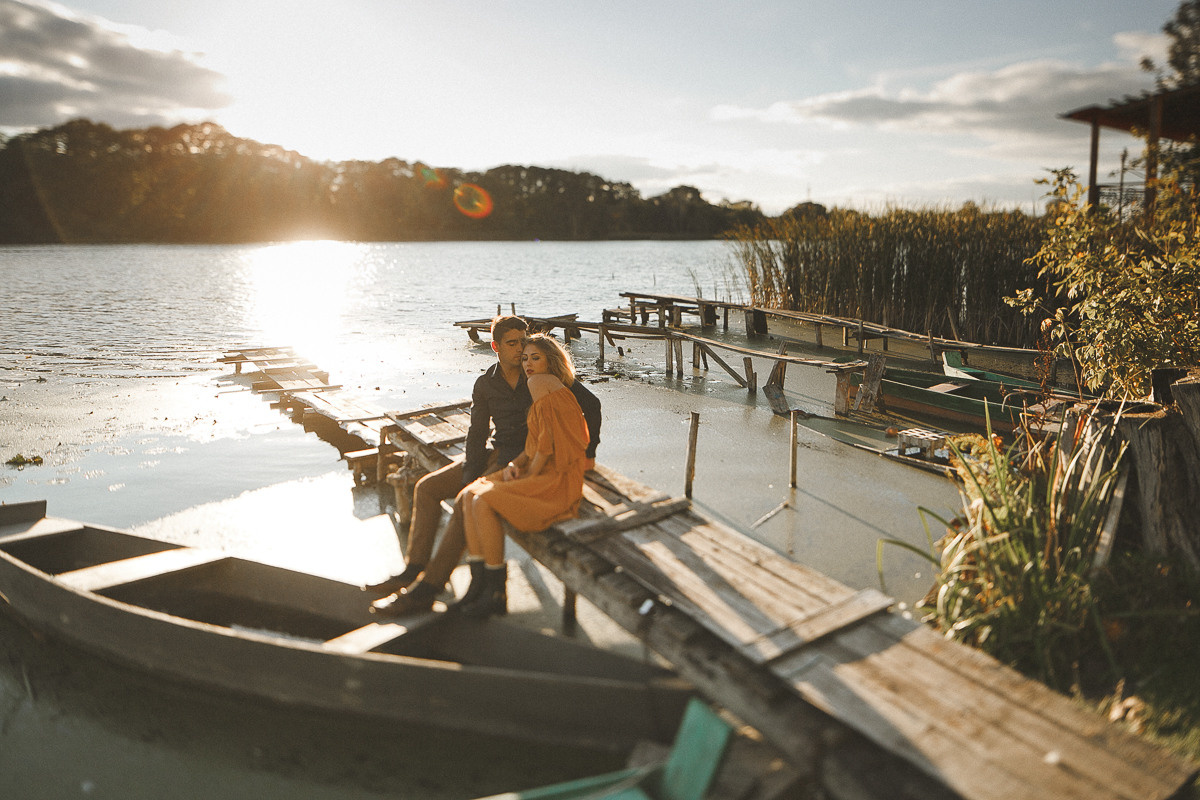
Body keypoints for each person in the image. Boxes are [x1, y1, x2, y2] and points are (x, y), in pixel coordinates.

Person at [368, 318, 600, 616]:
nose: (521, 350)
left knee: (465, 503)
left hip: (524, 460)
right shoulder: (486, 383)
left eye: (523, 341)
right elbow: (477, 433)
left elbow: (591, 406)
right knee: (426, 487)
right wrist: (469, 471)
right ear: (495, 347)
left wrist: (589, 454)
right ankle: (412, 569)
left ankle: (429, 588)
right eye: (512, 344)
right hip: (497, 452)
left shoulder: (541, 372)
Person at [453, 333, 590, 618]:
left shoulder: (540, 383)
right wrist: (516, 464)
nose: (527, 364)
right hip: (545, 468)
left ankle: (494, 591)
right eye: (525, 358)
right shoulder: (547, 384)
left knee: (481, 500)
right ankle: (480, 585)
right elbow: (534, 445)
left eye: (535, 358)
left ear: (550, 361)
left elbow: (546, 445)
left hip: (558, 478)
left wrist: (529, 477)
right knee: (468, 495)